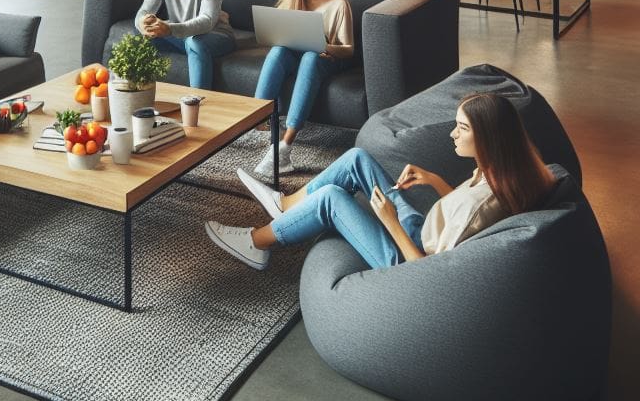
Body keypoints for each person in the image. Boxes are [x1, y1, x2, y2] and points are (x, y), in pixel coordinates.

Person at [206, 92, 556, 272]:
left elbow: (427, 271)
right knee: (358, 158)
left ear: (490, 138)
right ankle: (286, 205)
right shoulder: (499, 172)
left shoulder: (483, 201)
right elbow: (461, 216)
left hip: (403, 260)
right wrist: (434, 181)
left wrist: (390, 220)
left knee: (330, 197)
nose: (453, 133)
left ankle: (257, 243)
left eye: (462, 128)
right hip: (421, 232)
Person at [251, 0, 353, 177]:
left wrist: (323, 46)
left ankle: (286, 146)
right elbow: (277, 38)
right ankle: (256, 118)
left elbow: (349, 50)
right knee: (277, 51)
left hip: (328, 58)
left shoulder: (338, 3)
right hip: (296, 54)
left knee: (310, 56)